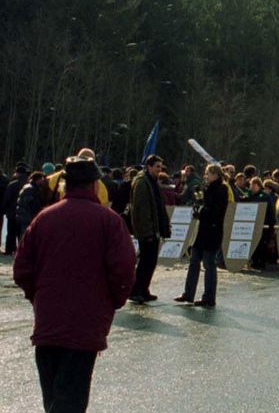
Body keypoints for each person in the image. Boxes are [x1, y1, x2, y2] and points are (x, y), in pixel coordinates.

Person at [13, 156, 135, 413]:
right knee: (71, 399)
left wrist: (38, 297)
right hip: (86, 324)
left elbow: (22, 269)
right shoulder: (109, 221)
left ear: (64, 185)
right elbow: (123, 271)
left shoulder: (43, 219)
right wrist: (111, 302)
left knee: (54, 398)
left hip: (48, 321)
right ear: (94, 185)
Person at [176, 164, 230, 308]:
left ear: (215, 175)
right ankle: (188, 293)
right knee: (194, 262)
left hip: (212, 231)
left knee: (209, 265)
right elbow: (203, 204)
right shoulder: (206, 188)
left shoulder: (221, 189)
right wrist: (197, 207)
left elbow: (216, 210)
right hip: (202, 231)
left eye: (208, 173)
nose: (205, 176)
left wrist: (201, 211)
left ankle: (209, 297)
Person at [128, 155, 170, 303]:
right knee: (145, 261)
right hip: (147, 230)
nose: (160, 169)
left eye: (160, 166)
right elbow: (142, 209)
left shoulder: (152, 182)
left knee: (150, 261)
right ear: (149, 166)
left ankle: (144, 289)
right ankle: (136, 290)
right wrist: (148, 231)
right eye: (157, 166)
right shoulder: (141, 183)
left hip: (153, 228)